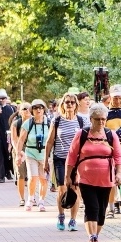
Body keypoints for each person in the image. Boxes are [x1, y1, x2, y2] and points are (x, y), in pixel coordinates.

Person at [65, 103, 121, 242]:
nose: (101, 122)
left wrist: (118, 173)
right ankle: (92, 237)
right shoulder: (82, 134)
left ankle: (95, 236)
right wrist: (68, 176)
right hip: (86, 178)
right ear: (91, 119)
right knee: (92, 207)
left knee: (101, 211)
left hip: (106, 179)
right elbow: (71, 156)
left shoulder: (111, 135)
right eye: (97, 119)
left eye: (103, 119)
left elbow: (118, 156)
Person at [45, 92, 84, 231]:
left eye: (72, 102)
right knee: (62, 189)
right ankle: (61, 215)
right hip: (60, 159)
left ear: (76, 105)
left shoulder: (81, 121)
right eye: (67, 102)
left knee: (74, 189)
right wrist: (46, 161)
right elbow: (49, 142)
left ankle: (73, 220)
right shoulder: (56, 120)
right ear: (63, 104)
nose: (69, 104)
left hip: (76, 161)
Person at [16, 100, 51, 212]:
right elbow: (21, 140)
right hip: (31, 153)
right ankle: (30, 199)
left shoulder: (49, 123)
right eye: (35, 108)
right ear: (32, 110)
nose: (38, 110)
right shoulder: (28, 123)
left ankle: (41, 201)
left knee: (43, 179)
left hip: (45, 155)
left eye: (41, 108)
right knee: (33, 177)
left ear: (44, 109)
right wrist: (18, 155)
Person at [105, 84, 121, 218]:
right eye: (115, 98)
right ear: (110, 97)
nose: (118, 100)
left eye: (120, 97)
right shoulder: (105, 113)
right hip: (109, 150)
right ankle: (111, 208)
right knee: (111, 180)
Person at [10, 103, 31, 206]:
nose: (27, 110)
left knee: (33, 175)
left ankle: (32, 198)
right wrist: (18, 152)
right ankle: (22, 198)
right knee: (21, 174)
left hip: (32, 149)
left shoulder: (35, 122)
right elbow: (14, 140)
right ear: (20, 111)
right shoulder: (16, 124)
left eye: (29, 109)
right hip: (19, 149)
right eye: (24, 109)